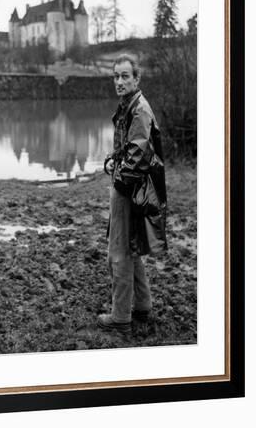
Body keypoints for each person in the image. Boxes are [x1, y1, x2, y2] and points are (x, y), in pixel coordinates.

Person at [97, 55, 167, 335]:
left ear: (136, 79)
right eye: (116, 76)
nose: (120, 81)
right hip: (134, 186)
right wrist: (115, 159)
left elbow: (138, 155)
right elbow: (130, 149)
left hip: (130, 189)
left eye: (125, 76)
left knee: (119, 252)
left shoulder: (139, 109)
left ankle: (120, 316)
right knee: (132, 247)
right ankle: (142, 306)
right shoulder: (130, 106)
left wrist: (119, 182)